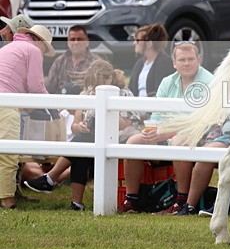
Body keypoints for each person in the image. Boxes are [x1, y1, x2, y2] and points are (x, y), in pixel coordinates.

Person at [24, 61, 138, 210]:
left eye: (102, 81)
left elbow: (127, 125)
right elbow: (75, 125)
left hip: (119, 138)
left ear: (110, 77)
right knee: (81, 147)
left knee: (81, 145)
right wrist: (80, 126)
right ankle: (73, 200)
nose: (97, 86)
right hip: (90, 139)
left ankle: (52, 180)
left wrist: (105, 109)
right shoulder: (86, 93)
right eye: (94, 83)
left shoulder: (124, 93)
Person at [119, 42, 214, 213]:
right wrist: (153, 131)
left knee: (180, 142)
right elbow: (157, 115)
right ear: (174, 63)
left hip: (199, 134)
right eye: (182, 60)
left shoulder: (209, 82)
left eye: (191, 59)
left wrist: (166, 133)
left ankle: (182, 200)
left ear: (198, 60)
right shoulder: (167, 82)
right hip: (166, 131)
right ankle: (132, 199)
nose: (186, 63)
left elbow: (202, 121)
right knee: (133, 142)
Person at [0, 25, 55, 209]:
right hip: (6, 104)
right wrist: (54, 106)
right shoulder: (33, 50)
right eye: (45, 49)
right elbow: (36, 86)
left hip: (6, 99)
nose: (43, 53)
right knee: (8, 153)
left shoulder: (9, 48)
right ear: (39, 41)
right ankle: (7, 202)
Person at [44, 25, 101, 95]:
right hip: (62, 104)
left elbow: (100, 90)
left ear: (87, 42)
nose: (76, 43)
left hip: (86, 104)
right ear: (68, 42)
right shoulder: (59, 61)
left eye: (79, 39)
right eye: (72, 39)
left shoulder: (96, 63)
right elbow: (50, 87)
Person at [128, 23, 173, 98]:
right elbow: (131, 88)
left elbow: (160, 93)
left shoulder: (165, 63)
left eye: (138, 40)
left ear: (149, 43)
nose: (134, 43)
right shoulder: (139, 64)